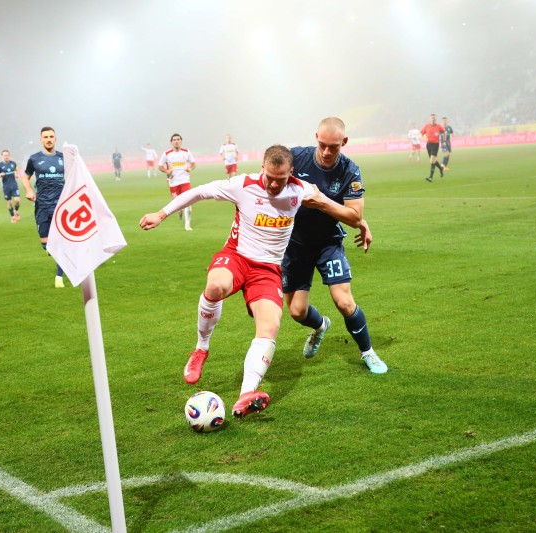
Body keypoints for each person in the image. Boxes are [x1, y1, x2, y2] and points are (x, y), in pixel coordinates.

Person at [140, 145, 335, 418]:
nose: (274, 184)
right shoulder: (243, 184)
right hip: (237, 257)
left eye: (281, 179)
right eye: (269, 176)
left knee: (271, 325)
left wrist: (360, 222)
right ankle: (201, 349)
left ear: (291, 173)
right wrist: (161, 214)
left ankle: (246, 394)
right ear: (262, 168)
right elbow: (199, 192)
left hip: (267, 270)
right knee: (215, 286)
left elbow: (332, 205)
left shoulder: (301, 189)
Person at [282, 117, 387, 374]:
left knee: (344, 301)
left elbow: (354, 217)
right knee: (296, 311)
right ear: (315, 136)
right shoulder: (295, 158)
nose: (327, 152)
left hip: (328, 242)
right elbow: (270, 183)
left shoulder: (350, 170)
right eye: (323, 145)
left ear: (345, 142)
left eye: (334, 147)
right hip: (294, 244)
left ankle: (368, 352)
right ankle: (320, 327)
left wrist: (323, 203)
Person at [22, 126, 66, 288]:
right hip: (41, 205)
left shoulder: (63, 157)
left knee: (60, 242)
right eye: (45, 137)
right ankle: (54, 251)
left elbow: (76, 174)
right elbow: (25, 177)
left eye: (51, 136)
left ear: (55, 139)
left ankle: (59, 277)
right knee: (46, 245)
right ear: (41, 139)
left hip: (60, 206)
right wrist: (28, 190)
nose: (48, 139)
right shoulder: (34, 159)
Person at [157, 133, 196, 231]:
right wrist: (166, 171)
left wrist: (190, 168)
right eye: (174, 140)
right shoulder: (167, 154)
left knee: (188, 203)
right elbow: (159, 166)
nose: (176, 141)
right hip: (173, 182)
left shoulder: (186, 152)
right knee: (177, 203)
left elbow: (193, 163)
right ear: (171, 142)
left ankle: (187, 224)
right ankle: (180, 210)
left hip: (185, 181)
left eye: (178, 139)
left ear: (181, 141)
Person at [0, 149, 21, 223]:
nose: (6, 156)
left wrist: (17, 174)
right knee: (9, 203)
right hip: (6, 187)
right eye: (4, 155)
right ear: (2, 156)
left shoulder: (13, 163)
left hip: (14, 185)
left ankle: (16, 211)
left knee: (17, 200)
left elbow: (17, 170)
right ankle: (12, 217)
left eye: (7, 155)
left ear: (9, 156)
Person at [420, 114, 446, 182]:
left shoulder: (438, 126)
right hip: (428, 145)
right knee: (433, 161)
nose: (433, 119)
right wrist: (424, 138)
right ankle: (441, 168)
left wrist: (444, 141)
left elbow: (444, 132)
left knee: (432, 161)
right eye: (432, 118)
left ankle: (430, 177)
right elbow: (421, 134)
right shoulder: (426, 126)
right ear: (430, 119)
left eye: (434, 118)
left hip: (435, 145)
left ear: (436, 119)